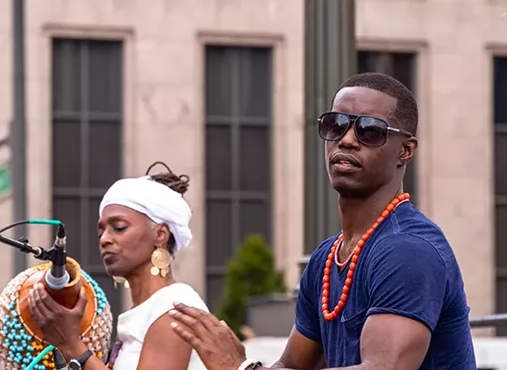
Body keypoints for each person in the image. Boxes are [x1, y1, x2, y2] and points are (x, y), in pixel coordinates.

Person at [167, 72, 477, 369]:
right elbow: (291, 366)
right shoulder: (326, 261)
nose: (347, 140)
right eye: (336, 125)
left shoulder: (408, 250)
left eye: (370, 130)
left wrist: (242, 368)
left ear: (405, 151)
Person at [0, 162, 210, 370]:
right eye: (101, 230)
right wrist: (28, 354)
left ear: (160, 234)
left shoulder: (174, 310)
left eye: (119, 227)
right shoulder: (142, 311)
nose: (104, 239)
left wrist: (71, 343)